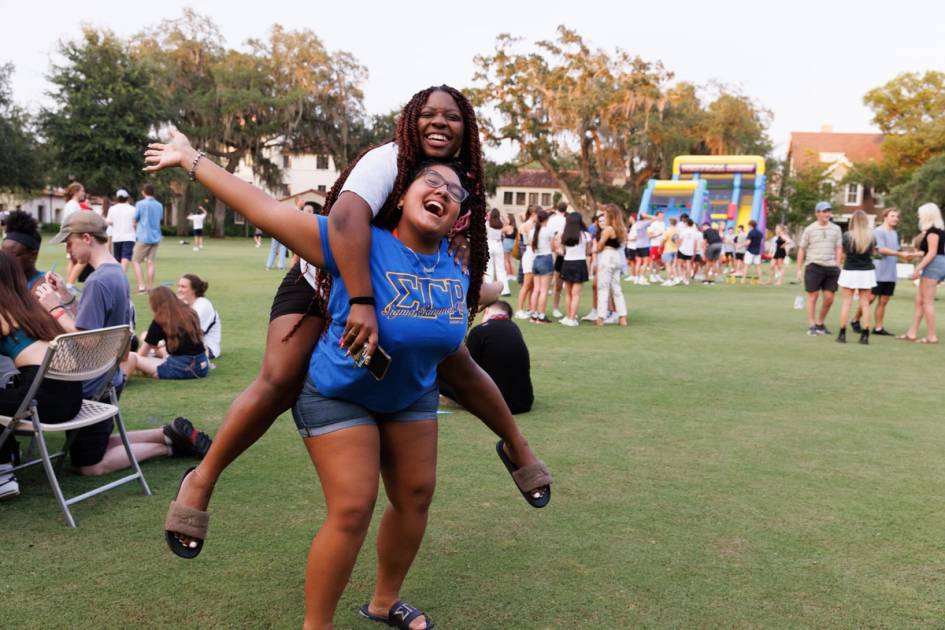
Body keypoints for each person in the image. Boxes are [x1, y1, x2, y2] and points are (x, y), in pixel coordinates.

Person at [146, 129, 551, 628]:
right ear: (400, 196)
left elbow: (466, 345)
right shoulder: (352, 244)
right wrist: (191, 160)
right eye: (432, 183)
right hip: (338, 395)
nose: (443, 192)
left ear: (459, 217)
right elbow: (262, 208)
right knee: (354, 507)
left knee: (416, 498)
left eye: (454, 193)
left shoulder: (457, 273)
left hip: (410, 397)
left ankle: (383, 603)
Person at [33, 212, 212, 476]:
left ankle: (169, 447)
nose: (67, 250)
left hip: (92, 382)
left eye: (69, 243)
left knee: (89, 465)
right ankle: (168, 434)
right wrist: (66, 296)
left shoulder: (97, 280)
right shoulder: (115, 271)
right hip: (108, 377)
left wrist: (55, 308)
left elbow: (87, 339)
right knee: (96, 447)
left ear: (86, 238)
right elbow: (95, 322)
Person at [0, 251, 83, 499]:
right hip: (70, 398)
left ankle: (3, 472)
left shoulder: (3, 314)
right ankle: (8, 454)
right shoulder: (32, 308)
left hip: (41, 401)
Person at [439, 300, 533, 413]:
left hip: (492, 404)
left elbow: (464, 371)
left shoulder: (479, 331)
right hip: (524, 402)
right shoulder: (515, 329)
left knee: (436, 375)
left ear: (486, 311)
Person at [124, 287, 210, 380]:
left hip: (181, 367)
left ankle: (118, 379)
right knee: (159, 352)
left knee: (132, 356)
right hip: (202, 366)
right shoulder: (190, 313)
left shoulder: (160, 320)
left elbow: (142, 353)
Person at [851, 208, 913, 336]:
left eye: (897, 217)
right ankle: (855, 320)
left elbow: (895, 251)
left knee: (884, 301)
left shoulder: (895, 234)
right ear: (885, 217)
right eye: (892, 216)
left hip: (890, 273)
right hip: (878, 271)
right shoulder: (878, 231)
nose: (895, 218)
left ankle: (878, 328)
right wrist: (899, 253)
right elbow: (882, 250)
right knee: (870, 299)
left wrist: (905, 256)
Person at [900, 203, 945, 344]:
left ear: (927, 215)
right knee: (920, 301)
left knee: (927, 302)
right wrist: (913, 255)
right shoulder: (936, 231)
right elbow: (930, 251)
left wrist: (917, 268)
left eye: (920, 213)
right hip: (936, 262)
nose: (918, 215)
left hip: (935, 265)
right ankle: (911, 333)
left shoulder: (933, 231)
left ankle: (932, 336)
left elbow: (932, 253)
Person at [796, 201, 842, 336]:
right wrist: (799, 269)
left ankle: (820, 323)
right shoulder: (809, 229)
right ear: (817, 213)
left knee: (829, 298)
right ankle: (811, 325)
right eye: (824, 211)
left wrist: (837, 264)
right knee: (813, 296)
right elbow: (802, 249)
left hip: (831, 267)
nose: (827, 213)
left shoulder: (836, 229)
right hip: (813, 266)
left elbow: (839, 248)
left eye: (829, 211)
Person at [835, 211, 877, 344]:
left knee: (846, 303)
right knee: (865, 304)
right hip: (866, 271)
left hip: (850, 270)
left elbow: (843, 253)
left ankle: (842, 334)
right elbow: (874, 252)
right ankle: (865, 335)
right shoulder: (871, 236)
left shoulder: (847, 235)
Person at [555, 212, 591, 326]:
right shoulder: (586, 235)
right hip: (580, 263)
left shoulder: (564, 235)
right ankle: (572, 319)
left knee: (568, 293)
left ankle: (568, 317)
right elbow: (588, 251)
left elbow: (561, 250)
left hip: (567, 263)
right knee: (576, 294)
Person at [595, 204, 628, 327]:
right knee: (617, 288)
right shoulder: (622, 228)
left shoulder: (608, 229)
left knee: (603, 287)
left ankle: (601, 317)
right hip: (617, 256)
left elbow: (599, 246)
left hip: (607, 255)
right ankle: (622, 317)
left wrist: (598, 246)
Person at [177, 273, 222, 359]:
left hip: (206, 349)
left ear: (194, 289)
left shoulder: (203, 305)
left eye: (183, 287)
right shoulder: (184, 303)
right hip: (187, 343)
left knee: (158, 346)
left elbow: (191, 335)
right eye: (178, 286)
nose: (179, 289)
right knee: (145, 336)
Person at [1, 210, 46, 291]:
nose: (5, 260)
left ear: (33, 255)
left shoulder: (43, 288)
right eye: (3, 254)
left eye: (14, 255)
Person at [132, 183, 163, 294]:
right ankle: (150, 287)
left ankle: (141, 286)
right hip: (156, 236)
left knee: (136, 261)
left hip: (144, 236)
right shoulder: (159, 205)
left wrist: (134, 229)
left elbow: (135, 220)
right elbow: (160, 218)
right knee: (150, 262)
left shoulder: (140, 204)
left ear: (144, 192)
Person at [528, 209, 554, 323]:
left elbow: (530, 245)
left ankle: (533, 315)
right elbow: (553, 246)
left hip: (536, 258)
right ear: (546, 219)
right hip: (546, 258)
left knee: (536, 290)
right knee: (543, 290)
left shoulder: (532, 231)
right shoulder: (548, 230)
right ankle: (541, 316)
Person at [61, 182, 86, 289]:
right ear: (76, 192)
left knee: (73, 260)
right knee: (83, 260)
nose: (84, 193)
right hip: (73, 236)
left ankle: (70, 285)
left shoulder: (73, 204)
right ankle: (70, 285)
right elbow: (72, 222)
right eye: (82, 191)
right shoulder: (72, 205)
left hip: (72, 236)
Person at [514, 206, 537, 319]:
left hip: (533, 254)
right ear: (533, 214)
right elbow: (525, 242)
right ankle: (519, 309)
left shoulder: (534, 225)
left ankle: (530, 308)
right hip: (529, 254)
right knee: (527, 284)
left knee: (532, 284)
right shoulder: (526, 225)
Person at [107, 189, 137, 271]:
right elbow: (136, 223)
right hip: (129, 236)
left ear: (117, 198)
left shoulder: (112, 209)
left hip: (116, 237)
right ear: (127, 198)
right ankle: (122, 276)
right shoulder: (133, 209)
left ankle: (118, 275)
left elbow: (109, 222)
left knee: (118, 258)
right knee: (126, 257)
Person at [484, 208, 510, 295]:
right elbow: (508, 222)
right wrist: (502, 216)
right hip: (498, 245)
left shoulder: (487, 224)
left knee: (489, 268)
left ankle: (489, 289)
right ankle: (505, 290)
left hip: (489, 244)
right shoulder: (500, 224)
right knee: (501, 268)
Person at [548, 201, 568, 318]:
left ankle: (558, 308)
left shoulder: (552, 220)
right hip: (559, 250)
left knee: (556, 278)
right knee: (558, 280)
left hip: (555, 250)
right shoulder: (564, 221)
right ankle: (557, 308)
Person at [743, 219, 765, 284]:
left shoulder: (751, 232)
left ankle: (743, 280)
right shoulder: (760, 233)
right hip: (757, 251)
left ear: (750, 225)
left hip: (750, 251)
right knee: (758, 267)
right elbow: (761, 242)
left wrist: (740, 245)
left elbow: (748, 242)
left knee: (746, 265)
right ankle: (760, 280)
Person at [647, 211, 666, 283]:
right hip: (654, 245)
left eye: (663, 215)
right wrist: (658, 234)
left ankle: (657, 275)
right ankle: (651, 276)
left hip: (661, 245)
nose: (662, 217)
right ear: (657, 216)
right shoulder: (653, 224)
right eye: (660, 215)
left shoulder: (663, 224)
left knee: (659, 261)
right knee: (652, 261)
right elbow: (650, 236)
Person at [660, 217, 679, 286]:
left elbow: (663, 240)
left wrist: (660, 248)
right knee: (673, 266)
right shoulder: (677, 231)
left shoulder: (668, 231)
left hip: (668, 250)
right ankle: (673, 278)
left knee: (668, 266)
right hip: (676, 250)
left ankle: (669, 280)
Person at [502, 212, 517, 278]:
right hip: (513, 244)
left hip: (507, 244)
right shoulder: (515, 227)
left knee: (506, 260)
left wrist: (504, 223)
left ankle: (508, 275)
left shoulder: (507, 227)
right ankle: (513, 275)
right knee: (511, 260)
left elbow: (499, 230)